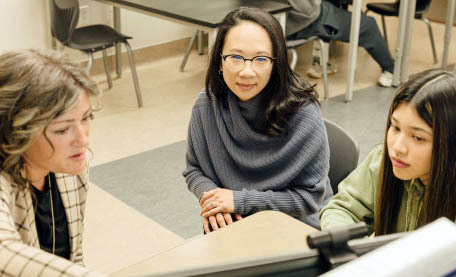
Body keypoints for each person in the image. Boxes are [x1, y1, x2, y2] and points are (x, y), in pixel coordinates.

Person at [183, 7, 333, 234]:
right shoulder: (207, 105)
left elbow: (309, 199)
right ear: (219, 61)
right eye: (235, 57)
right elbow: (194, 170)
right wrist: (216, 203)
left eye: (261, 59)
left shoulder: (303, 114)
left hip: (294, 227)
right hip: (233, 222)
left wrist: (239, 200)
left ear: (276, 63)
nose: (247, 71)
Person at [0, 49, 106, 277]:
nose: (83, 139)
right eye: (62, 129)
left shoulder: (71, 169)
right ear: (16, 131)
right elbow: (4, 258)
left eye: (86, 118)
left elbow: (73, 259)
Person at [320, 68, 456, 235]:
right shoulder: (382, 159)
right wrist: (352, 246)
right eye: (396, 127)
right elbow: (342, 209)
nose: (398, 147)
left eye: (418, 138)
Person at [286, 0, 396, 87]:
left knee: (333, 5)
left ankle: (321, 63)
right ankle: (391, 70)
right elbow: (309, 9)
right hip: (304, 22)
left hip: (282, 20)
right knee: (369, 25)